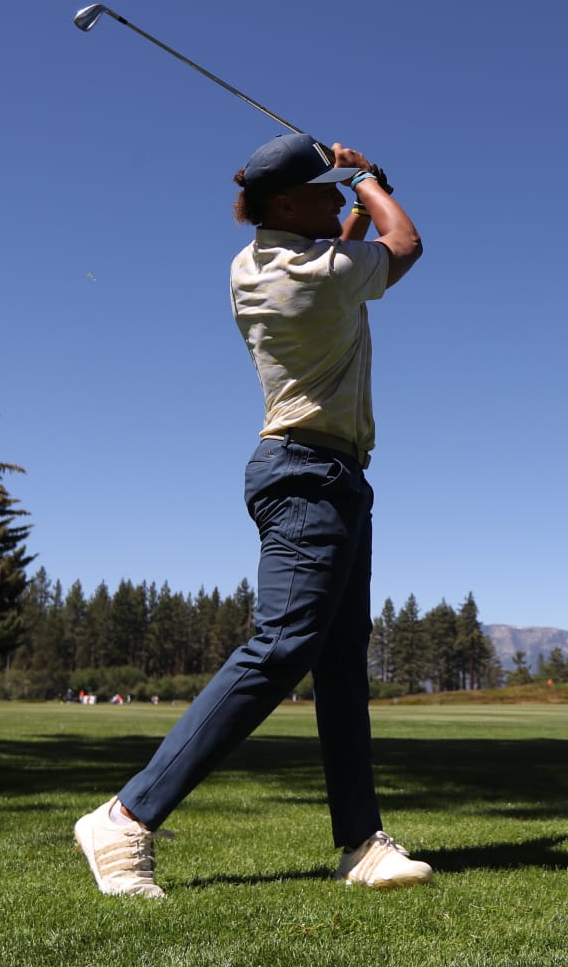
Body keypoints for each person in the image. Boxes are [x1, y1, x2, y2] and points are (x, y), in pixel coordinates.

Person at [74, 133, 428, 898]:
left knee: (337, 666)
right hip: (309, 476)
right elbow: (406, 243)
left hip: (323, 475)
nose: (337, 201)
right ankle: (126, 818)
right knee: (282, 646)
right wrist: (369, 177)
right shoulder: (322, 274)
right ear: (284, 205)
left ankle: (362, 844)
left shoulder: (257, 265)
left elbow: (344, 250)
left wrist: (355, 190)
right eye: (325, 190)